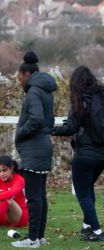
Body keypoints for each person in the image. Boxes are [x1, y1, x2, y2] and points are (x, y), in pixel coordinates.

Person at [52, 66, 104, 242]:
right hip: (101, 155)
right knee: (88, 189)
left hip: (85, 155)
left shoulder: (80, 100)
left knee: (82, 193)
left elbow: (71, 128)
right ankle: (87, 227)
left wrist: (50, 129)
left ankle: (97, 231)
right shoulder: (101, 97)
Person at [11, 51, 57, 248]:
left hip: (34, 149)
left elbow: (37, 119)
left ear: (26, 75)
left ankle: (32, 239)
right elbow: (49, 120)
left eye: (19, 77)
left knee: (33, 197)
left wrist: (21, 132)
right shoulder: (45, 91)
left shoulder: (34, 92)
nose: (19, 81)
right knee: (40, 196)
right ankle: (40, 237)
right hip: (42, 146)